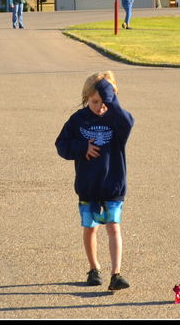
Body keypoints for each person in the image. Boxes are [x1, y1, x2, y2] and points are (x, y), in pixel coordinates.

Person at [55, 71, 134, 291]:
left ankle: (116, 274)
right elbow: (61, 145)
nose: (99, 107)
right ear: (86, 98)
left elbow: (129, 122)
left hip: (113, 185)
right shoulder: (77, 120)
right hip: (88, 187)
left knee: (113, 227)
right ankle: (93, 268)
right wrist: (82, 148)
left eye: (104, 101)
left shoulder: (117, 120)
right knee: (90, 228)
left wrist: (111, 99)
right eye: (94, 101)